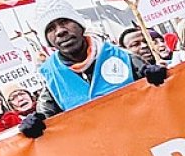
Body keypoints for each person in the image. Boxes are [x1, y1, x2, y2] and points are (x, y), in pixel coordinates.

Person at [35, 15, 168, 115]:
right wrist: (34, 124)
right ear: (48, 41)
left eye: (65, 22)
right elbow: (45, 119)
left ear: (81, 26)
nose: (60, 31)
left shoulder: (125, 58)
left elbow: (165, 98)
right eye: (51, 29)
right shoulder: (51, 81)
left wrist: (162, 78)